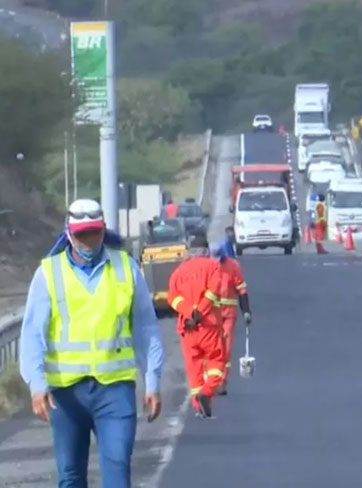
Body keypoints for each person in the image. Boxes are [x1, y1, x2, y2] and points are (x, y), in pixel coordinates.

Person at [19, 198, 165, 488]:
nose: (88, 241)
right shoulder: (49, 273)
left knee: (117, 470)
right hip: (66, 394)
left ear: (103, 230)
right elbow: (33, 332)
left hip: (115, 390)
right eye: (81, 234)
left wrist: (152, 381)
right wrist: (36, 383)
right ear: (68, 233)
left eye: (94, 233)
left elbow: (146, 328)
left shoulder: (126, 268)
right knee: (70, 476)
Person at [167, 234, 226, 418]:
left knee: (194, 368)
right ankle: (207, 393)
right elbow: (213, 292)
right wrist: (198, 313)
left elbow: (172, 298)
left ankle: (198, 406)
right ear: (206, 251)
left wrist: (187, 313)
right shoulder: (213, 267)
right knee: (217, 361)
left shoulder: (179, 272)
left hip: (187, 328)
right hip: (208, 325)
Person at [210, 245, 252, 395]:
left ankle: (222, 382)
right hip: (211, 316)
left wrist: (246, 311)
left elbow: (241, 290)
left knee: (225, 350)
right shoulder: (207, 266)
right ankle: (210, 382)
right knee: (211, 348)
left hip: (228, 315)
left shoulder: (233, 266)